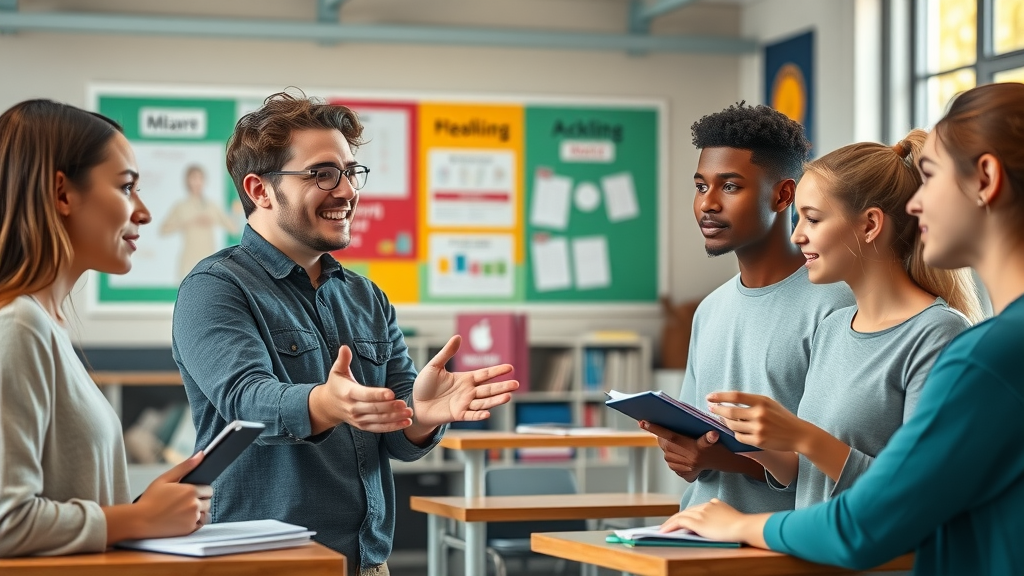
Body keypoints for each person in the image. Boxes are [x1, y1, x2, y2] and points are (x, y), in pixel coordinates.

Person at [660, 82, 1024, 575]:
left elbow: (876, 516)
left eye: (932, 177)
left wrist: (744, 524)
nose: (915, 206)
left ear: (985, 178)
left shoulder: (975, 349)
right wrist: (768, 442)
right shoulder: (839, 327)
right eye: (701, 185)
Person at [171, 91, 518, 575]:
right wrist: (324, 404)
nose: (348, 190)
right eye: (322, 174)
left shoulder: (367, 296)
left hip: (368, 562)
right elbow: (246, 401)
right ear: (260, 189)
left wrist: (420, 415)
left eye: (351, 172)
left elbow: (397, 438)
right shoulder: (214, 288)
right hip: (262, 564)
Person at [700, 130, 979, 511]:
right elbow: (812, 476)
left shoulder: (939, 334)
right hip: (813, 556)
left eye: (812, 219)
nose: (797, 235)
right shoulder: (834, 328)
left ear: (869, 225)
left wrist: (803, 436)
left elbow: (922, 495)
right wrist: (757, 442)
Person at [0, 99, 213, 557]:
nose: (144, 213)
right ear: (62, 194)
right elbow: (7, 523)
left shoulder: (46, 326)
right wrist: (139, 518)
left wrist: (144, 508)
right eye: (126, 187)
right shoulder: (19, 327)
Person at [642, 103, 853, 514]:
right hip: (696, 530)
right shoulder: (710, 309)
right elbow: (698, 440)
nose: (707, 204)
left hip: (780, 542)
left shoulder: (838, 306)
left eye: (731, 186)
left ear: (783, 195)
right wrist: (686, 453)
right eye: (701, 187)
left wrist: (724, 459)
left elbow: (835, 464)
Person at [159, 164, 239, 282]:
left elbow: (234, 228)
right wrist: (188, 222)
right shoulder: (181, 206)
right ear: (187, 181)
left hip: (208, 261)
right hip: (188, 262)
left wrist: (232, 213)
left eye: (200, 178)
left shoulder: (212, 206)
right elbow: (163, 229)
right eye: (193, 178)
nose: (197, 182)